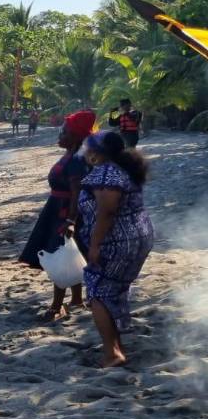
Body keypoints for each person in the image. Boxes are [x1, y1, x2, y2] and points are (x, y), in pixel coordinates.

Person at [78, 131, 154, 367]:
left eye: (86, 147)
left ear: (96, 153)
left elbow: (107, 211)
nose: (83, 151)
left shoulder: (106, 174)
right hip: (136, 238)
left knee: (98, 291)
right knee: (114, 289)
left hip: (118, 242)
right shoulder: (121, 170)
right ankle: (116, 346)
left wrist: (95, 245)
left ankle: (112, 353)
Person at [18, 110, 96, 320]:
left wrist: (71, 220)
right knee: (71, 253)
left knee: (60, 255)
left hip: (65, 211)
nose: (60, 135)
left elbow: (77, 192)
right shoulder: (72, 154)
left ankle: (56, 306)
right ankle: (76, 298)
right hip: (57, 208)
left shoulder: (77, 160)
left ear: (76, 137)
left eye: (64, 132)